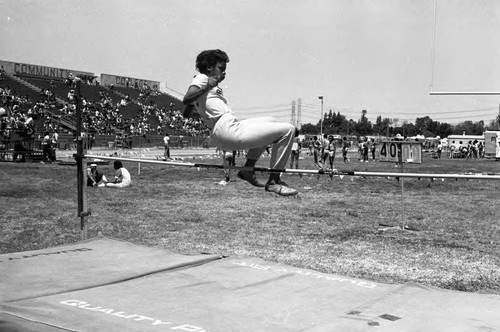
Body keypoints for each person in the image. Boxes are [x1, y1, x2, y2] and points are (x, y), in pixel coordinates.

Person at [182, 49, 297, 196]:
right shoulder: (203, 78)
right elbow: (187, 98)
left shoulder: (206, 85)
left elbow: (186, 112)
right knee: (288, 130)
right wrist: (207, 87)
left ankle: (247, 170)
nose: (224, 73)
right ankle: (274, 182)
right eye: (221, 69)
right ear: (210, 67)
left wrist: (197, 101)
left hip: (227, 126)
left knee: (270, 121)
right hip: (226, 129)